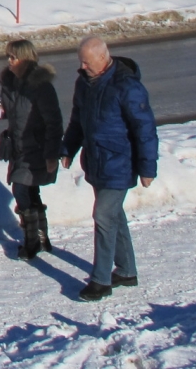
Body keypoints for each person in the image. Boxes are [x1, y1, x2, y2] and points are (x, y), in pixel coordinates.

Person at [62, 36, 158, 301]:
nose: (82, 66)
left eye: (86, 62)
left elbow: (145, 130)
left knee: (103, 216)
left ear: (103, 59)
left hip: (120, 163)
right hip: (96, 161)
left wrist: (148, 168)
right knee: (114, 216)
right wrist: (68, 149)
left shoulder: (127, 87)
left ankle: (101, 280)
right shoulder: (84, 83)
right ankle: (126, 271)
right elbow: (77, 121)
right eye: (80, 61)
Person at [0, 38, 62, 260]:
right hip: (18, 148)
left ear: (25, 58)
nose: (9, 61)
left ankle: (32, 243)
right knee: (29, 190)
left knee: (20, 188)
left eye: (13, 57)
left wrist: (52, 154)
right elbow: (11, 110)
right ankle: (41, 237)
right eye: (8, 57)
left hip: (37, 148)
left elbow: (54, 121)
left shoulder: (41, 86)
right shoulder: (9, 83)